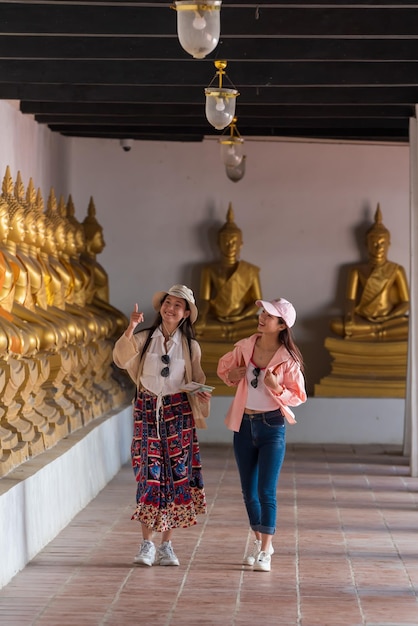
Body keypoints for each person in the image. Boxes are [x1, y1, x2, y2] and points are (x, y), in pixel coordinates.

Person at [113, 284, 211, 567]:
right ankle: (147, 544)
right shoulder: (144, 339)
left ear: (185, 314)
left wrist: (200, 393)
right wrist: (130, 328)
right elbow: (121, 358)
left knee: (176, 476)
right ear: (161, 307)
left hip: (178, 414)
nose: (170, 308)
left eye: (177, 306)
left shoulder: (191, 346)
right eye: (167, 303)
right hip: (146, 410)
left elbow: (196, 379)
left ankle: (167, 545)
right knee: (149, 474)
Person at [217, 297, 306, 572]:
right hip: (244, 424)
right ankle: (259, 541)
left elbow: (299, 396)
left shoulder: (288, 359)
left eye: (269, 315)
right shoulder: (245, 347)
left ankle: (266, 550)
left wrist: (278, 388)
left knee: (266, 490)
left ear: (281, 325)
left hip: (272, 426)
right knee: (248, 491)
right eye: (262, 312)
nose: (262, 317)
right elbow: (223, 370)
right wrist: (233, 374)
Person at [330, 204, 409, 341]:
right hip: (363, 319)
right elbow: (350, 299)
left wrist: (389, 316)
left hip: (389, 319)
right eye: (374, 243)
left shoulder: (396, 270)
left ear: (388, 244)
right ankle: (379, 333)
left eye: (382, 243)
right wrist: (349, 316)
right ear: (366, 244)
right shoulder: (356, 270)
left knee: (412, 325)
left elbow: (406, 302)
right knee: (336, 324)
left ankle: (374, 332)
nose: (378, 247)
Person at [194, 203, 262, 341]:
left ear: (240, 244)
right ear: (218, 243)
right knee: (196, 329)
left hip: (243, 319)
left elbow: (257, 301)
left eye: (234, 242)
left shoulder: (250, 270)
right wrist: (201, 317)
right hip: (216, 319)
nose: (230, 246)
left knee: (260, 328)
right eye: (225, 242)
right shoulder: (209, 269)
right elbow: (205, 300)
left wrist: (241, 316)